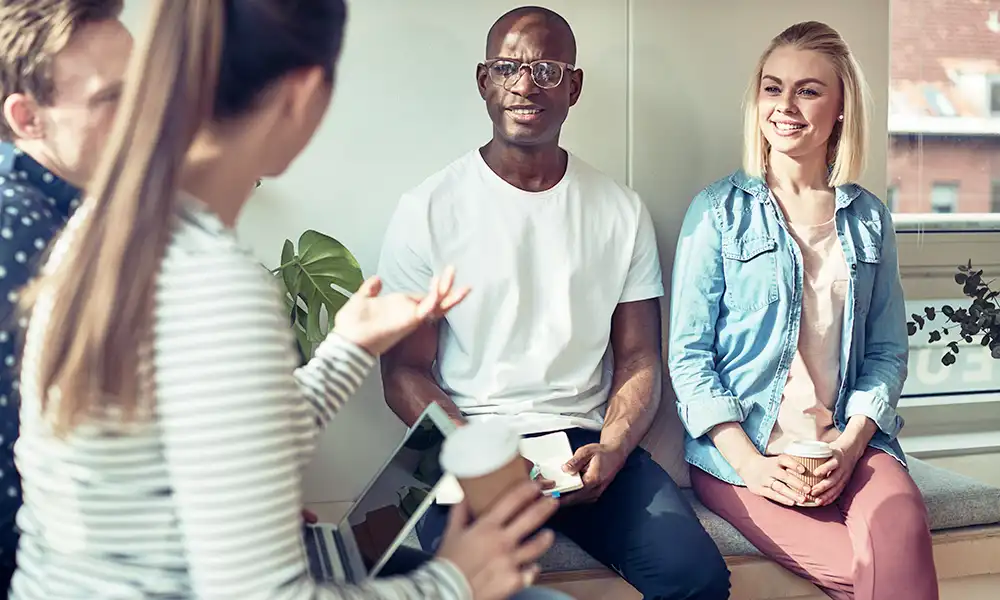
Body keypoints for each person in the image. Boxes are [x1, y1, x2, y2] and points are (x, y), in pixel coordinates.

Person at [10, 1, 572, 599]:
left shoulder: (102, 228)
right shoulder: (214, 286)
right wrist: (456, 580)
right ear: (305, 96)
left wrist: (349, 347)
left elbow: (237, 444)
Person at [378, 6, 731, 599]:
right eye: (507, 67)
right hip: (475, 443)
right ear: (483, 82)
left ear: (574, 86)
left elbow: (640, 358)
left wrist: (616, 446)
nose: (524, 84)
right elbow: (403, 373)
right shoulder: (430, 209)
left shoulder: (620, 211)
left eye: (545, 70)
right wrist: (480, 459)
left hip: (585, 442)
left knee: (695, 579)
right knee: (452, 586)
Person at [668, 21, 938, 600]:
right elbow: (689, 360)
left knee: (903, 534)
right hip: (742, 453)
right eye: (772, 87)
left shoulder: (869, 218)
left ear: (840, 107)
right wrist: (753, 464)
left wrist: (849, 444)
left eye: (808, 90)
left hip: (849, 442)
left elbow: (888, 352)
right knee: (871, 575)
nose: (784, 106)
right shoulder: (716, 213)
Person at [0, 0, 131, 592]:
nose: (139, 121)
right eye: (111, 100)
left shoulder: (70, 215)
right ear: (29, 118)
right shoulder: (21, 231)